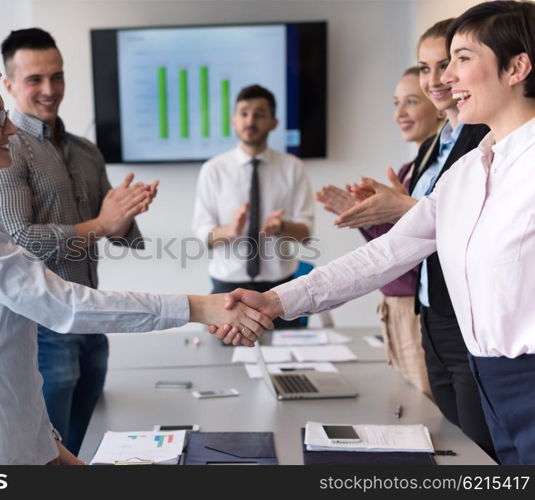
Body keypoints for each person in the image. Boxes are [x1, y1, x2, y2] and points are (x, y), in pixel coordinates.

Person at [0, 55, 272, 465]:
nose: (9, 127)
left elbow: (12, 363)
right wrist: (199, 306)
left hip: (11, 433)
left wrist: (55, 450)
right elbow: (65, 305)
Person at [222, 0, 535, 465]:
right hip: (487, 378)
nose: (445, 79)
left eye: (462, 59)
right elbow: (386, 254)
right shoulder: (466, 172)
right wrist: (276, 301)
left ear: (517, 67)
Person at [319, 19, 495, 459]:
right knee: (448, 439)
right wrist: (382, 213)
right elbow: (411, 237)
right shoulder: (433, 146)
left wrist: (401, 209)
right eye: (427, 67)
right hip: (430, 310)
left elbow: (467, 223)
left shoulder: (483, 137)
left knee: (475, 449)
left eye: (452, 63)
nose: (441, 78)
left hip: (464, 317)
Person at [0, 28, 157, 455]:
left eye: (57, 77)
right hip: (43, 326)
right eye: (35, 80)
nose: (50, 90)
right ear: (8, 86)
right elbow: (18, 238)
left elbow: (112, 230)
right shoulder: (6, 150)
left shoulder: (86, 151)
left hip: (91, 318)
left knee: (86, 438)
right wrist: (101, 224)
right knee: (47, 450)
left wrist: (123, 215)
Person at [316, 66, 443, 397]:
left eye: (412, 102)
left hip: (415, 307)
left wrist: (386, 215)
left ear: (438, 104)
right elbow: (394, 244)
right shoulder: (409, 168)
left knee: (426, 408)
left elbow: (419, 247)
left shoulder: (438, 169)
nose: (399, 113)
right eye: (396, 102)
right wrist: (367, 218)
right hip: (394, 307)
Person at [191, 84, 314, 329]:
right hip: (228, 290)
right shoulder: (213, 170)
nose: (250, 120)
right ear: (233, 121)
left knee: (285, 362)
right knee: (226, 364)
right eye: (244, 113)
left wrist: (281, 227)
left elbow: (306, 233)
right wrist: (231, 230)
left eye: (259, 114)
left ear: (273, 122)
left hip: (281, 289)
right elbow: (203, 234)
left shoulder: (293, 167)